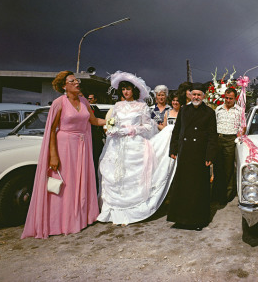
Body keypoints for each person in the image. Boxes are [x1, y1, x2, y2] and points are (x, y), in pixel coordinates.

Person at [22, 71, 105, 239]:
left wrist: (114, 120)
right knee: (65, 183)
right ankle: (62, 222)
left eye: (77, 80)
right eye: (72, 81)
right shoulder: (59, 103)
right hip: (64, 146)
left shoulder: (83, 101)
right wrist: (53, 155)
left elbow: (94, 121)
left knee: (79, 181)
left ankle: (81, 218)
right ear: (63, 86)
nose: (76, 83)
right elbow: (52, 130)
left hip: (82, 146)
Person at [97, 71, 160, 225]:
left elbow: (147, 126)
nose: (125, 92)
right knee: (116, 175)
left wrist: (131, 129)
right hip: (117, 143)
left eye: (128, 89)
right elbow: (112, 121)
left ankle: (134, 210)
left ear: (134, 90)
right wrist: (112, 129)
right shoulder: (117, 106)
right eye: (123, 89)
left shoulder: (142, 106)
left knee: (133, 176)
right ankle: (114, 210)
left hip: (134, 144)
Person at [167, 83, 217, 231]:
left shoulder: (209, 112)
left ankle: (197, 221)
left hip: (200, 155)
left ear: (203, 96)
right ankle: (180, 219)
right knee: (183, 186)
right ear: (190, 95)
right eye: (194, 94)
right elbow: (177, 131)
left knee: (198, 188)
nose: (196, 97)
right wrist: (173, 149)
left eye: (199, 95)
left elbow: (212, 137)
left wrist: (210, 155)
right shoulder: (184, 110)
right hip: (185, 153)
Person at [213, 87, 242, 205]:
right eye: (226, 98)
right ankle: (216, 194)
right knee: (217, 167)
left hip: (231, 139)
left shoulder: (239, 111)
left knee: (229, 168)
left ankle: (228, 194)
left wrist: (238, 137)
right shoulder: (218, 109)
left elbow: (242, 127)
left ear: (235, 99)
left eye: (230, 98)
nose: (228, 100)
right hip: (219, 138)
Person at [86, 92, 106, 192]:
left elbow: (99, 122)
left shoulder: (95, 109)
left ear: (95, 100)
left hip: (95, 141)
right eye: (87, 98)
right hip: (84, 140)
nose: (89, 100)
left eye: (91, 99)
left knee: (94, 166)